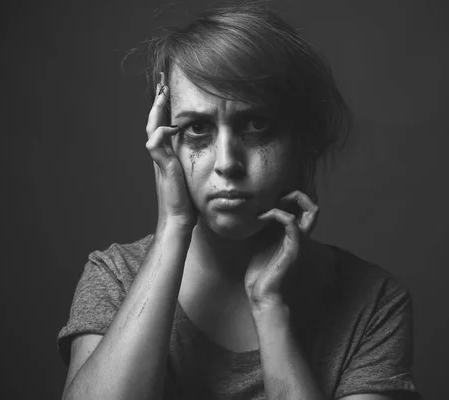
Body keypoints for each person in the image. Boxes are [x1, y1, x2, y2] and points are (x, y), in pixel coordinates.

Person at [57, 2, 419, 399]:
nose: (227, 163)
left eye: (257, 125)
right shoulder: (114, 278)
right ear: (166, 141)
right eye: (197, 128)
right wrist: (173, 227)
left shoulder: (372, 302)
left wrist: (269, 308)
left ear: (304, 145)